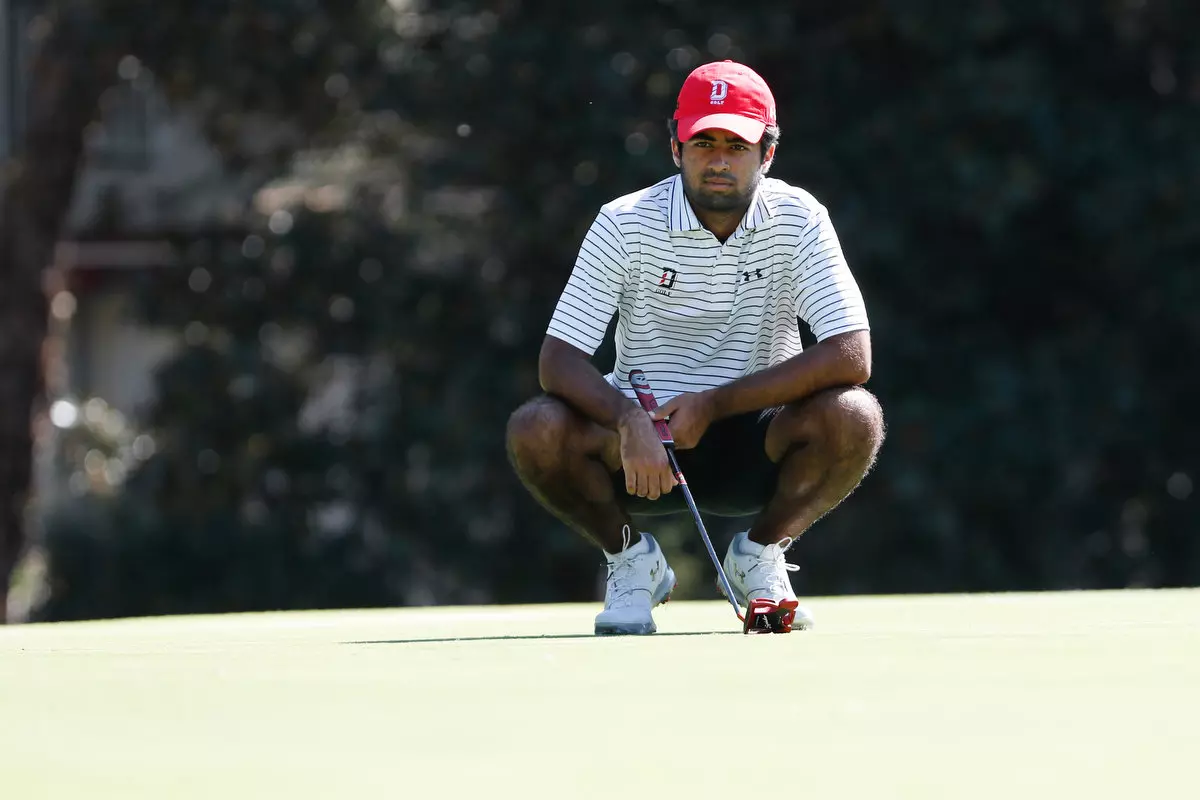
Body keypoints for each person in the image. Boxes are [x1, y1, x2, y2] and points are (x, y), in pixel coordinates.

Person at [506, 60, 884, 635]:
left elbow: (851, 353)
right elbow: (557, 360)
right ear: (676, 149)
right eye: (704, 143)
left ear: (767, 154)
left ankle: (759, 555)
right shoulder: (625, 222)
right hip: (641, 452)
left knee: (855, 415)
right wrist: (628, 418)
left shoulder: (800, 219)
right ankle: (630, 560)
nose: (719, 160)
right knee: (536, 427)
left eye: (737, 145)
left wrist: (713, 403)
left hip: (758, 440)